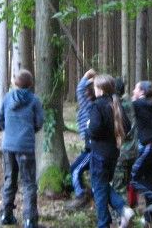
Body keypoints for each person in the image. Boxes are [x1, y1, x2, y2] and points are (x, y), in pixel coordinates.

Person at [0, 70, 43, 228]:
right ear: (30, 84)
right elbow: (39, 122)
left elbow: (0, 119)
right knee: (29, 183)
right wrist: (29, 131)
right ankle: (30, 220)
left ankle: (5, 214)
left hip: (8, 145)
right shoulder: (34, 100)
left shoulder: (8, 98)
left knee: (10, 179)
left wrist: (10, 130)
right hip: (26, 146)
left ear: (15, 83)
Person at [88, 74, 135, 228]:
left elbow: (94, 130)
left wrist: (89, 127)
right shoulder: (115, 103)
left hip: (99, 153)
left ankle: (104, 223)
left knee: (99, 188)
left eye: (95, 87)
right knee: (102, 185)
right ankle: (122, 210)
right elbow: (127, 127)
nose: (94, 90)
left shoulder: (98, 105)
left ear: (100, 89)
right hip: (113, 153)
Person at [130, 80, 152, 226]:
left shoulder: (139, 104)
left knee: (134, 178)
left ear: (142, 92)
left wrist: (133, 100)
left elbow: (123, 105)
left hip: (149, 147)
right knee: (151, 181)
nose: (133, 91)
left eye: (136, 89)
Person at [65, 69, 96, 210]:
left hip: (93, 149)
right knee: (77, 170)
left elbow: (79, 88)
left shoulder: (89, 105)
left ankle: (81, 196)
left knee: (75, 171)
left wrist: (86, 76)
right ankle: (86, 194)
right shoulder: (94, 105)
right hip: (90, 147)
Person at [111, 77, 138, 208]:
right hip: (134, 151)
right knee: (129, 183)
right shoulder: (130, 104)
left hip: (122, 152)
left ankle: (122, 215)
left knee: (118, 186)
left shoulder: (116, 106)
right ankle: (132, 208)